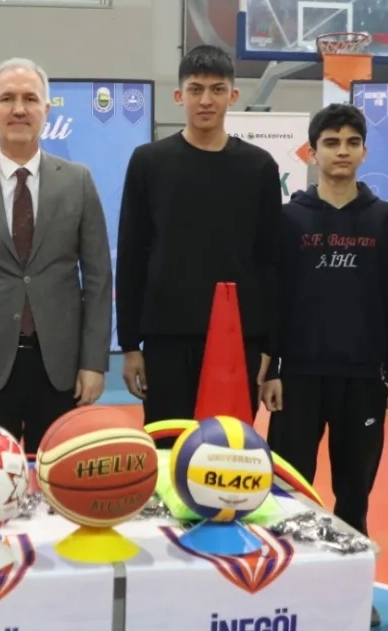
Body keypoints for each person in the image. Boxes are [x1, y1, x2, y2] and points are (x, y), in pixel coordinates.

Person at [259, 104, 388, 629]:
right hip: (298, 378)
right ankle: (288, 586)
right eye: (331, 142)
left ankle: (349, 592)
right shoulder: (288, 220)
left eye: (351, 142)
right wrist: (272, 369)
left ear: (364, 151)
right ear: (312, 152)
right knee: (288, 490)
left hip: (363, 380)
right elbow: (275, 300)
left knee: (354, 492)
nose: (341, 151)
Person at [0, 58, 112, 454]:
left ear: (47, 109)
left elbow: (98, 279)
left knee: (57, 482)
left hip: (61, 371)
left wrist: (93, 362)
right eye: (7, 98)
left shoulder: (78, 182)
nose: (19, 109)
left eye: (30, 99)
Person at [115, 45, 282, 435]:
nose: (206, 100)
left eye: (217, 89)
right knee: (167, 451)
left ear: (233, 95)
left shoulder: (259, 166)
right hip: (165, 341)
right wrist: (130, 345)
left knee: (228, 454)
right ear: (179, 96)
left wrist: (270, 350)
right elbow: (132, 256)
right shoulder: (149, 162)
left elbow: (271, 262)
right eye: (195, 89)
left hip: (238, 340)